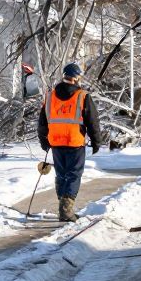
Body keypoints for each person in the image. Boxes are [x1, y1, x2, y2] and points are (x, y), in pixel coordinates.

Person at [37, 63, 101, 222]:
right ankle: (66, 210)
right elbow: (92, 121)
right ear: (77, 78)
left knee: (61, 174)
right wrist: (96, 141)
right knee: (73, 174)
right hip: (74, 142)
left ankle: (64, 207)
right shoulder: (82, 96)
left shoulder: (50, 96)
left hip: (56, 142)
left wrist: (43, 141)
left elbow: (42, 122)